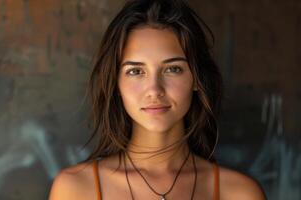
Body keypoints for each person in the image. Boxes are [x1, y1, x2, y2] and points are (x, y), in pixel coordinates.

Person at [49, 0, 266, 199]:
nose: (154, 90)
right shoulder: (76, 189)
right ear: (116, 83)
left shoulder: (240, 193)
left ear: (197, 79)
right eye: (136, 71)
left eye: (173, 69)